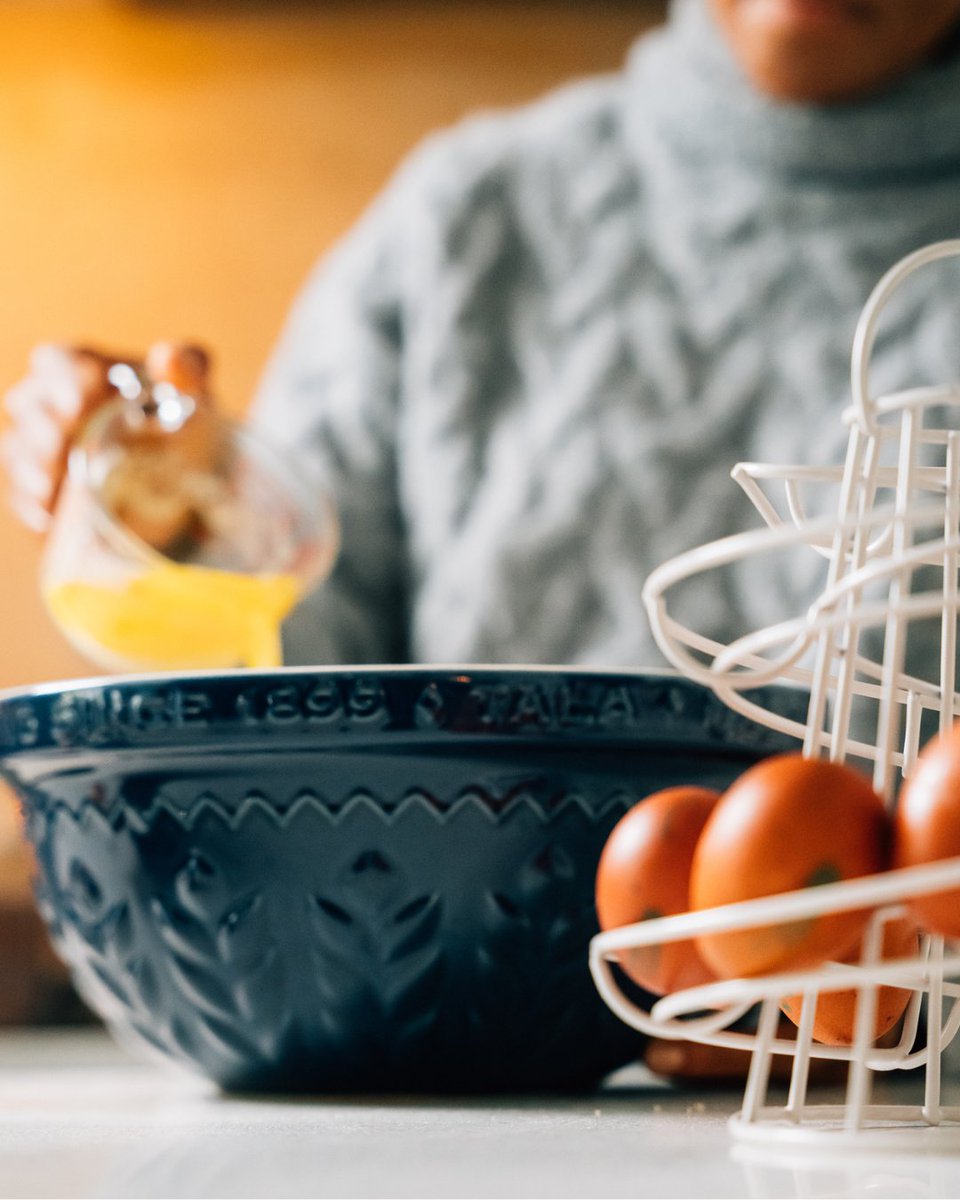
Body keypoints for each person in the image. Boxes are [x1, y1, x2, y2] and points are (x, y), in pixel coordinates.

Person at [4, 0, 960, 1078]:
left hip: (891, 1123)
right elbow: (274, 719)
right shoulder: (463, 222)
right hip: (441, 1092)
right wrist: (180, 526)